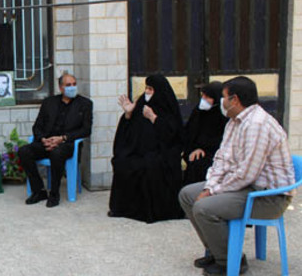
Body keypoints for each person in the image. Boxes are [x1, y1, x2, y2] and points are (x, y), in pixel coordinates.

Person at [179, 76, 295, 276]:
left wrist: (212, 192)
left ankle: (230, 261)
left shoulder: (257, 125)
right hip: (246, 187)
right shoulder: (234, 122)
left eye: (224, 97)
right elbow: (221, 159)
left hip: (267, 196)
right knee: (187, 195)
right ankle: (217, 250)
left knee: (204, 207)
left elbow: (246, 173)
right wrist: (209, 187)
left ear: (235, 100)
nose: (221, 102)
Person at [108, 74, 184, 222]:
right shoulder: (141, 104)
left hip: (162, 152)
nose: (147, 92)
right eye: (146, 88)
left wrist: (154, 118)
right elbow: (128, 132)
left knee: (150, 165)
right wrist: (128, 114)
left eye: (151, 89)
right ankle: (124, 208)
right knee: (123, 162)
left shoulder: (167, 108)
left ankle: (153, 210)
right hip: (138, 151)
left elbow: (173, 136)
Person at [18, 73, 93, 208]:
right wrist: (43, 139)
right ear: (61, 87)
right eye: (68, 85)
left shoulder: (85, 104)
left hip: (67, 144)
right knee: (24, 151)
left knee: (56, 153)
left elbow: (86, 130)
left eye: (74, 84)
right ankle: (39, 191)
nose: (72, 87)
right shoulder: (49, 102)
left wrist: (62, 138)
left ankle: (54, 194)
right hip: (46, 142)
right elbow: (37, 126)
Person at [182, 81, 229, 186]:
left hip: (215, 155)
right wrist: (194, 149)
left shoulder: (224, 116)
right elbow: (189, 134)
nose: (203, 99)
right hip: (196, 153)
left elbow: (224, 139)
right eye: (202, 96)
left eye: (207, 97)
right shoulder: (198, 111)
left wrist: (205, 148)